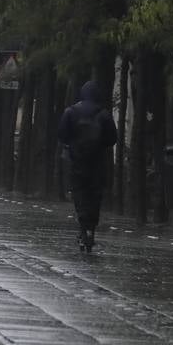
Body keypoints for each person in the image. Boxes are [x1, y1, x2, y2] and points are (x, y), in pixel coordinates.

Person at [57, 80, 118, 252]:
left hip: (76, 162)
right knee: (94, 196)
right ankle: (91, 228)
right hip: (97, 163)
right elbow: (112, 139)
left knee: (79, 194)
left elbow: (62, 135)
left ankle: (83, 228)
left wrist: (73, 145)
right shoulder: (104, 114)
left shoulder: (71, 112)